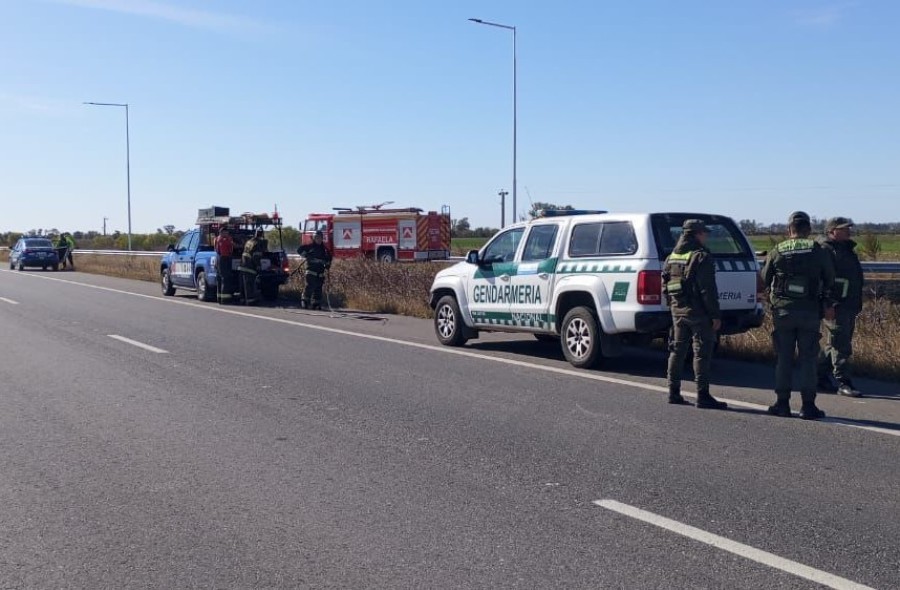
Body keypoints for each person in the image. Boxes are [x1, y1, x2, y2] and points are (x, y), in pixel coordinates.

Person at [761, 211, 836, 420]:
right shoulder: (818, 250)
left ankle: (782, 404)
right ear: (809, 230)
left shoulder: (778, 250)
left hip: (783, 311)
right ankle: (808, 406)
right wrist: (827, 303)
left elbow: (764, 279)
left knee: (784, 358)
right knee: (808, 359)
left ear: (789, 230)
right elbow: (829, 278)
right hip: (809, 312)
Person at [662, 219, 728, 409]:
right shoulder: (701, 256)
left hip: (678, 312)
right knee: (701, 353)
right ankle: (703, 395)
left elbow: (665, 285)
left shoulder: (671, 257)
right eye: (704, 233)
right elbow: (708, 290)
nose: (706, 236)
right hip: (699, 313)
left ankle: (673, 393)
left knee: (677, 351)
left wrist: (673, 305)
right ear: (696, 234)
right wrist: (715, 315)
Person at [817, 217, 865, 397]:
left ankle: (818, 376)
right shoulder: (826, 250)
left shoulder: (844, 249)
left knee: (834, 343)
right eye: (844, 229)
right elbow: (823, 279)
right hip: (836, 304)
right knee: (841, 344)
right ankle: (843, 381)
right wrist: (828, 304)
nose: (848, 231)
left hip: (848, 303)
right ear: (832, 231)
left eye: (849, 228)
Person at [297, 230, 332, 310]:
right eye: (316, 238)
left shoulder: (325, 250)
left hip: (320, 273)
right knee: (310, 286)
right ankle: (305, 301)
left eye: (320, 238)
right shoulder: (310, 246)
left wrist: (327, 265)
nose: (318, 239)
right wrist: (307, 255)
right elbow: (299, 250)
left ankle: (316, 303)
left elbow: (329, 259)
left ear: (322, 238)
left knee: (318, 288)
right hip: (311, 271)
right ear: (314, 238)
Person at [240, 228, 266, 305]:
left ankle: (242, 299)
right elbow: (256, 256)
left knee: (243, 283)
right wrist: (258, 266)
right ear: (261, 234)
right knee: (249, 283)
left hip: (243, 264)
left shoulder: (249, 241)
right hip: (249, 265)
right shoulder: (257, 244)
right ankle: (250, 300)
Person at [214, 228, 235, 304]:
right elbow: (230, 247)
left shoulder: (217, 239)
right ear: (221, 233)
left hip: (220, 259)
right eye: (226, 233)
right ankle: (225, 299)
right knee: (225, 279)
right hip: (224, 259)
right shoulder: (223, 240)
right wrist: (231, 240)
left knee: (220, 279)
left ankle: (219, 298)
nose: (227, 234)